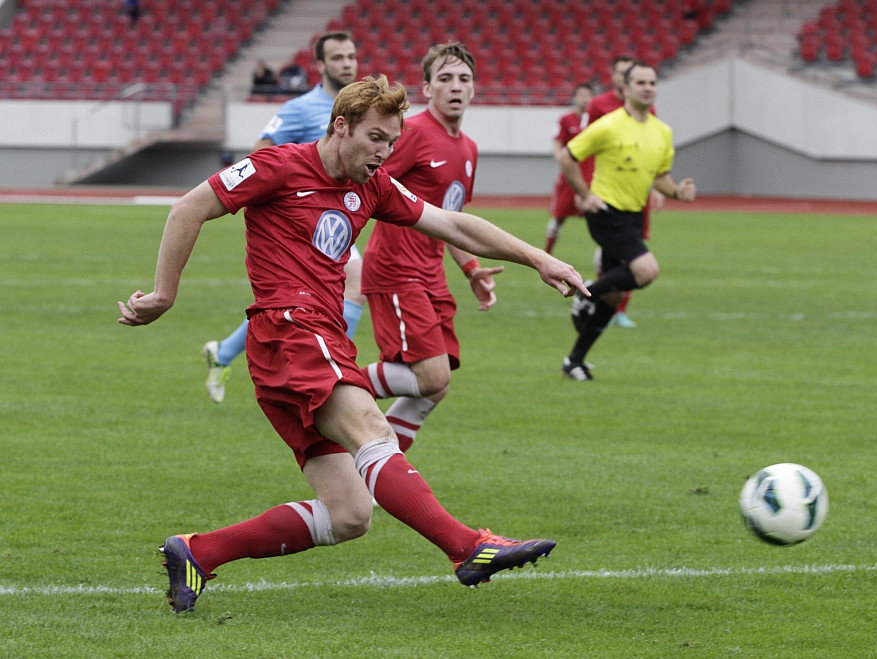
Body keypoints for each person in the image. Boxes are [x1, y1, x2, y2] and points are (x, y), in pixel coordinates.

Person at [117, 75, 586, 613]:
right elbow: (188, 207)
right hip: (290, 329)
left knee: (349, 514)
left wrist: (539, 259)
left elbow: (452, 225)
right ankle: (467, 547)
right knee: (373, 428)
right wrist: (164, 294)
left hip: (310, 341)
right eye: (375, 139)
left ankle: (200, 552)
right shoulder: (278, 166)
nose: (384, 153)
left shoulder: (375, 185)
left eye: (391, 142)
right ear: (341, 126)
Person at [201, 31, 363, 404]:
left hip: (335, 224)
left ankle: (223, 353)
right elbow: (260, 152)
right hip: (301, 227)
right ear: (320, 65)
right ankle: (339, 372)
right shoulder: (299, 109)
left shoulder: (359, 111)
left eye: (351, 56)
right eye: (338, 58)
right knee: (351, 282)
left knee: (301, 302)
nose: (347, 64)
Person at [361, 43, 489, 452]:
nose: (456, 86)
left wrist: (472, 270)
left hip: (432, 276)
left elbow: (452, 221)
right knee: (433, 377)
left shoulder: (468, 148)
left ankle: (376, 470)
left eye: (464, 79)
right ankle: (328, 383)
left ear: (473, 88)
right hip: (396, 270)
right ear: (428, 88)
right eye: (445, 78)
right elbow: (366, 184)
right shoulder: (412, 133)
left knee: (436, 386)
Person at [556, 62, 696, 381]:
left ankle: (574, 360)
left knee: (613, 296)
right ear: (625, 89)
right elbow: (567, 157)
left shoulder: (662, 132)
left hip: (633, 215)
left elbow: (659, 176)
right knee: (646, 271)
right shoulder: (609, 125)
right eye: (640, 82)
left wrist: (677, 192)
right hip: (605, 212)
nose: (647, 88)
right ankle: (585, 293)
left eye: (652, 83)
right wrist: (585, 194)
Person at [581, 55, 654, 330]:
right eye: (622, 74)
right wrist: (585, 190)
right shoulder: (599, 106)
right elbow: (583, 149)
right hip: (605, 194)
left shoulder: (647, 109)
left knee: (629, 256)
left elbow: (651, 149)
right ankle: (593, 296)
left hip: (635, 196)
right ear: (616, 78)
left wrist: (658, 187)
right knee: (632, 259)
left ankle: (613, 309)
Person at [544, 82, 594, 255]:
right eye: (581, 95)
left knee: (598, 218)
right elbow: (557, 144)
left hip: (592, 177)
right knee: (559, 216)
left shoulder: (597, 120)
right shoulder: (566, 119)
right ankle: (547, 253)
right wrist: (563, 162)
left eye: (587, 96)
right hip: (569, 178)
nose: (584, 99)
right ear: (575, 98)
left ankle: (604, 263)